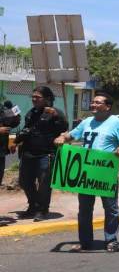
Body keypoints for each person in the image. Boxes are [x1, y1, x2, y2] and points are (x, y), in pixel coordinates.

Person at [54, 92, 119, 252]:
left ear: (107, 106)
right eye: (93, 102)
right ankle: (85, 242)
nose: (93, 105)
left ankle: (111, 240)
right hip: (86, 173)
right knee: (84, 209)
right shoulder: (87, 122)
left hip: (105, 173)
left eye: (97, 102)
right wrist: (62, 137)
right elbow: (71, 135)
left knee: (110, 208)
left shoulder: (116, 123)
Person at [16, 86, 68, 221]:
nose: (34, 100)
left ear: (47, 99)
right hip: (28, 153)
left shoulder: (55, 113)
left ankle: (42, 210)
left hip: (46, 154)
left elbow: (64, 129)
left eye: (37, 97)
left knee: (44, 183)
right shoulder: (31, 113)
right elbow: (27, 129)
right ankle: (32, 206)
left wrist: (57, 116)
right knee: (24, 181)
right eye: (33, 97)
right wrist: (18, 142)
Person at [0, 100, 21, 187]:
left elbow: (12, 125)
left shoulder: (2, 108)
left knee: (1, 168)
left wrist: (16, 117)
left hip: (1, 145)